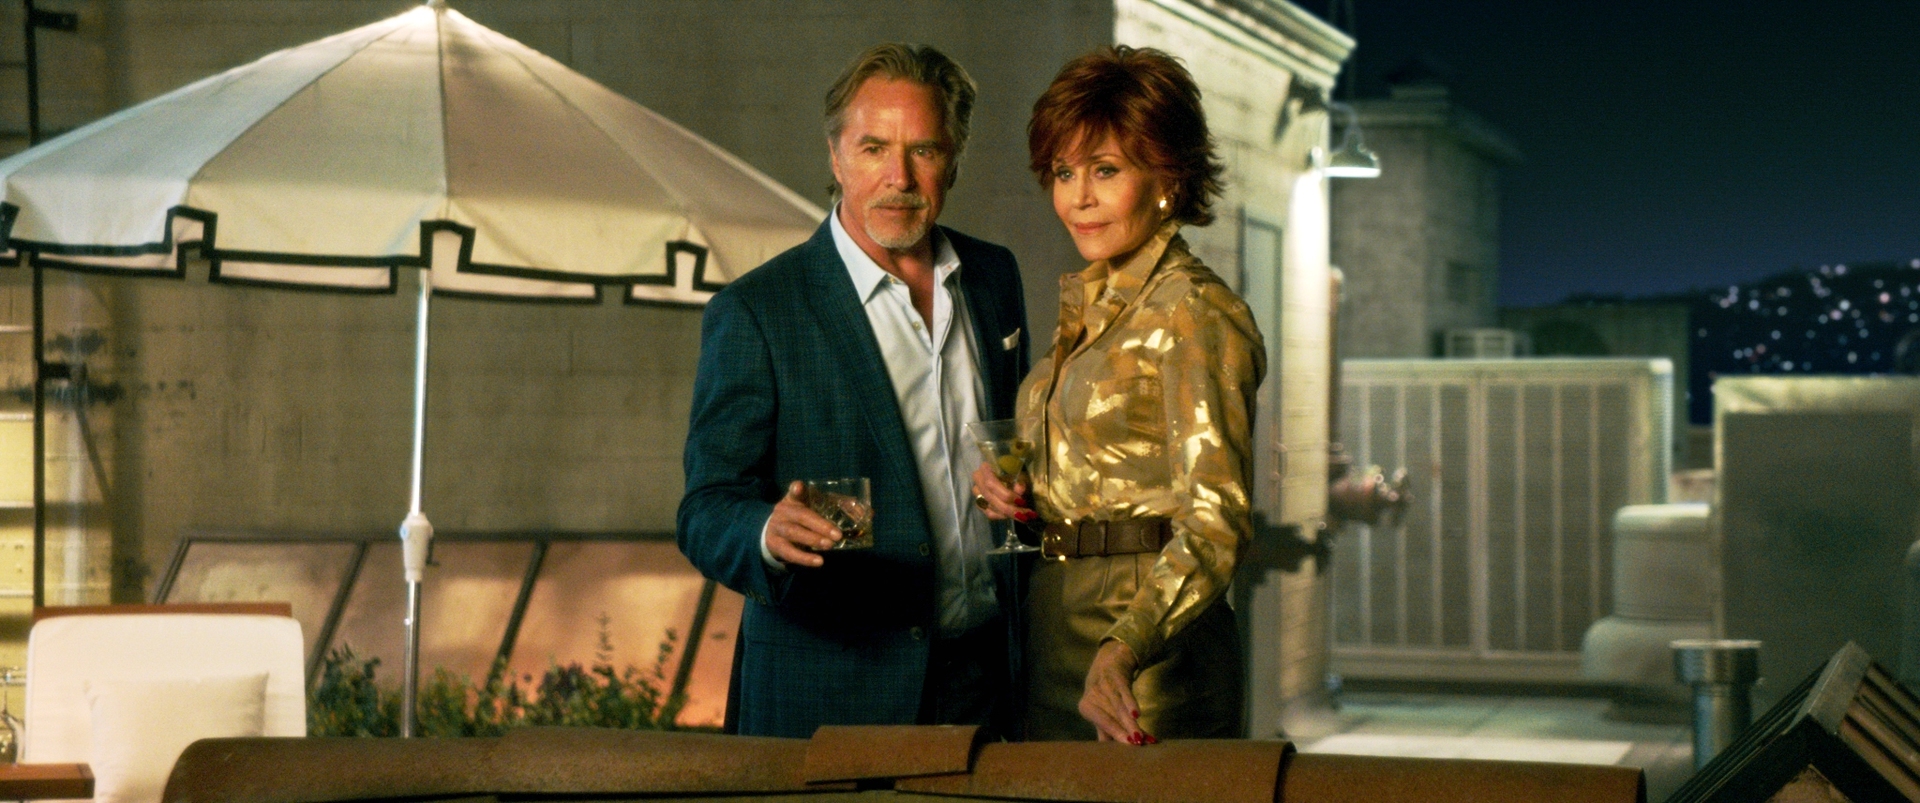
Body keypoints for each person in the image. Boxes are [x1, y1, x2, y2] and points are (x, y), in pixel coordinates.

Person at [677, 43, 1030, 739]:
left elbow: (1013, 441)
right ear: (836, 158)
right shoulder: (760, 310)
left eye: (924, 149)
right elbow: (705, 508)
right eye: (874, 149)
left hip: (988, 684)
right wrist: (765, 532)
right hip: (833, 693)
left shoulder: (994, 277)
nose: (899, 177)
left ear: (953, 159)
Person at [973, 45, 1264, 744]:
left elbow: (1217, 520)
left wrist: (1127, 647)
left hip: (1149, 652)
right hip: (1052, 625)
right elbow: (1095, 475)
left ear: (1168, 176)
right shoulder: (1091, 307)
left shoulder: (1193, 310)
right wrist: (1011, 490)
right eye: (1063, 172)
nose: (1078, 197)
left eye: (1105, 170)